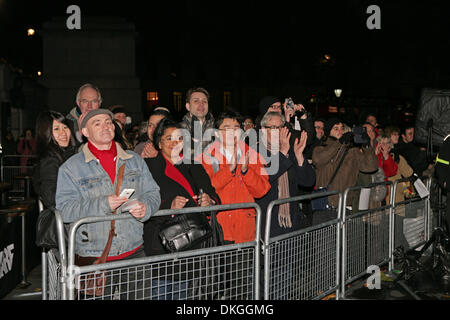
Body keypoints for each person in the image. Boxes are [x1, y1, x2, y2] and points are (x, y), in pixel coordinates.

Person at [55, 108, 161, 299]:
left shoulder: (135, 161)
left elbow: (153, 193)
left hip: (134, 253)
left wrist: (146, 207)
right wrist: (103, 203)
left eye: (109, 122)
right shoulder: (70, 168)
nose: (106, 126)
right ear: (84, 132)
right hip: (94, 259)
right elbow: (65, 209)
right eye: (97, 123)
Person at [143, 118, 220, 299]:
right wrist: (168, 206)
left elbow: (214, 195)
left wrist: (210, 201)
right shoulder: (149, 167)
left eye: (179, 138)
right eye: (169, 139)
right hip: (162, 245)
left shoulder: (194, 165)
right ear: (159, 142)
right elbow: (142, 201)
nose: (175, 143)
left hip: (192, 245)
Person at [199, 109, 270, 244]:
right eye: (226, 129)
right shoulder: (207, 157)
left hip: (245, 232)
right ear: (217, 133)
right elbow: (206, 190)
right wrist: (229, 170)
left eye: (236, 128)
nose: (232, 133)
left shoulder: (252, 154)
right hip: (218, 230)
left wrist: (246, 172)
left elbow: (262, 190)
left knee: (244, 265)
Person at [256, 112, 316, 237]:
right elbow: (264, 178)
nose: (277, 131)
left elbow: (308, 182)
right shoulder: (255, 152)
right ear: (262, 130)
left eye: (280, 127)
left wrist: (299, 156)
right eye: (273, 127)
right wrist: (283, 152)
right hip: (266, 223)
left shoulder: (290, 151)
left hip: (291, 221)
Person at [312, 118, 378, 224]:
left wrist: (367, 146)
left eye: (342, 128)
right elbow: (318, 159)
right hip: (325, 207)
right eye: (336, 128)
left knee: (343, 240)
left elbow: (371, 167)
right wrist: (340, 142)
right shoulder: (320, 148)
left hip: (345, 207)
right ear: (328, 131)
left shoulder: (352, 151)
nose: (340, 131)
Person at [33, 111, 77, 248]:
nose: (63, 133)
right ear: (45, 133)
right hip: (66, 225)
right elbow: (50, 196)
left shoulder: (71, 154)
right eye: (56, 129)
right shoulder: (50, 159)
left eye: (65, 127)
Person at [180, 87, 216, 160]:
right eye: (196, 101)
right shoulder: (179, 130)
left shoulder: (217, 127)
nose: (201, 104)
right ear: (188, 106)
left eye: (204, 101)